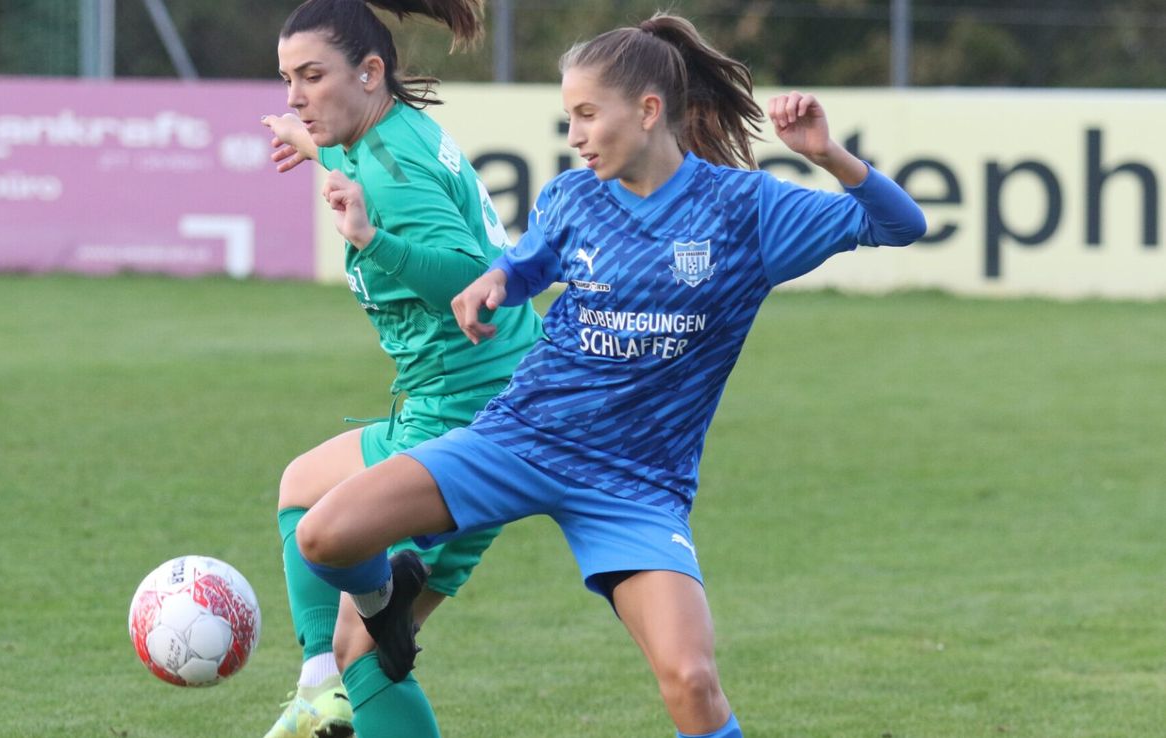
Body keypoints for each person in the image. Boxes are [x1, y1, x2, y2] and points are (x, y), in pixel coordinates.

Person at [293, 11, 928, 738]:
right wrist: (494, 282)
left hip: (634, 485)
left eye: (587, 115)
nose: (575, 135)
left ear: (649, 110)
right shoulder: (572, 198)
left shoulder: (745, 210)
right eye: (569, 117)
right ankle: (387, 609)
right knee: (324, 536)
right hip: (517, 439)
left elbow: (901, 225)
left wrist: (828, 154)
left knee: (691, 679)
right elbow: (529, 265)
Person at [257, 1, 541, 737]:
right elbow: (353, 153)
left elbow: (472, 274)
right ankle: (319, 689)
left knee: (369, 652)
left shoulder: (389, 172)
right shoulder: (385, 129)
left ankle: (345, 662)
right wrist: (308, 140)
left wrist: (373, 238)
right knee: (302, 485)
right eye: (288, 80)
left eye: (311, 77)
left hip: (468, 418)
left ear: (370, 71)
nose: (294, 96)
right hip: (478, 398)